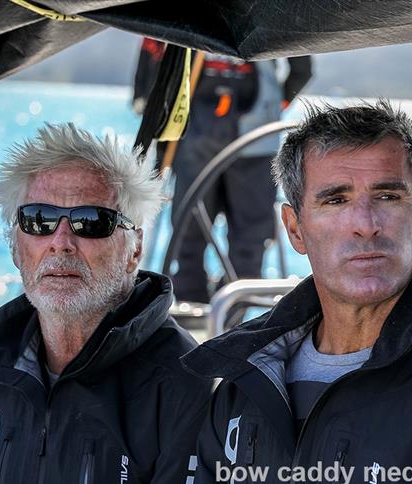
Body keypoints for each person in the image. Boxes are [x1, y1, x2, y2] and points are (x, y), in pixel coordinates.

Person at [181, 100, 412, 484]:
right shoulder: (242, 385)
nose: (365, 223)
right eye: (335, 200)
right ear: (295, 228)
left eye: (387, 195)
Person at [0, 123, 213, 484]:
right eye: (39, 220)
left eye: (91, 222)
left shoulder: (182, 382)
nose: (61, 241)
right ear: (15, 246)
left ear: (134, 247)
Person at [133, 38, 312, 302]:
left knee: (193, 232)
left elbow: (153, 58)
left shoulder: (191, 17)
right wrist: (274, 107)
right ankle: (229, 312)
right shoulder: (268, 17)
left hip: (206, 139)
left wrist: (276, 104)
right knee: (242, 237)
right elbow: (302, 68)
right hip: (241, 139)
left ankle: (204, 308)